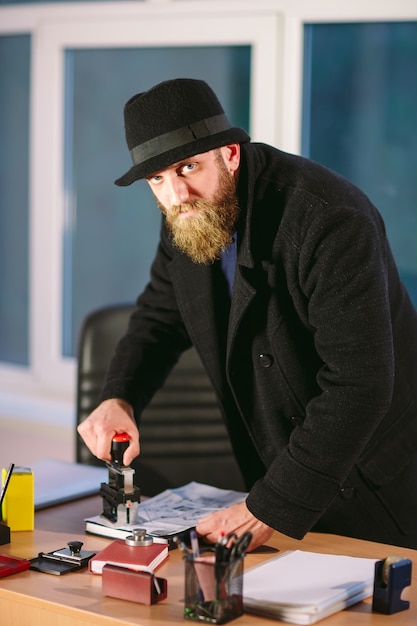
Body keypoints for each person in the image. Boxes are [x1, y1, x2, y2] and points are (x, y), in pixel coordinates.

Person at [78, 78, 417, 551]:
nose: (176, 194)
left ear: (231, 154)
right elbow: (159, 316)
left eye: (188, 167)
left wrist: (269, 506)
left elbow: (359, 384)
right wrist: (120, 396)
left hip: (374, 482)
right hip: (279, 478)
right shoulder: (187, 210)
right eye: (157, 179)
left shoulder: (331, 218)